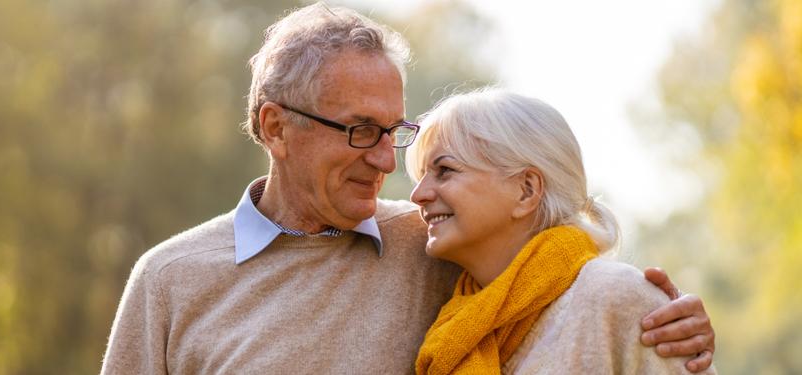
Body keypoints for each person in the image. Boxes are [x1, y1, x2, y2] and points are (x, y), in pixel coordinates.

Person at [100, 4, 715, 374]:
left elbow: (550, 273)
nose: (385, 163)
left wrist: (672, 322)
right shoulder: (169, 281)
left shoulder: (433, 246)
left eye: (392, 131)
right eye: (361, 131)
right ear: (275, 127)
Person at [407, 89, 717, 374]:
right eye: (421, 177)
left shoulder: (616, 296)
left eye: (444, 171)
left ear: (526, 190)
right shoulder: (454, 322)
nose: (417, 195)